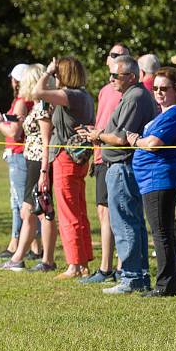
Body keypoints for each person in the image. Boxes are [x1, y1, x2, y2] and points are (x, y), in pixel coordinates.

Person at [84, 55, 157, 293]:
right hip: (124, 167)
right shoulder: (132, 96)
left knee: (124, 223)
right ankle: (138, 276)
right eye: (111, 74)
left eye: (116, 75)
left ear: (132, 77)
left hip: (122, 167)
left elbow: (120, 138)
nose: (111, 79)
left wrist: (97, 135)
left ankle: (131, 278)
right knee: (132, 222)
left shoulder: (135, 97)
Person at [125, 67, 176, 297]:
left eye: (164, 88)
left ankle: (165, 286)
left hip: (160, 180)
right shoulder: (162, 114)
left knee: (161, 233)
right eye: (156, 88)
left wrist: (135, 140)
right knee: (162, 232)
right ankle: (166, 283)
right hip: (151, 180)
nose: (159, 93)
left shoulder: (174, 113)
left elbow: (153, 143)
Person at [33, 57, 95, 279]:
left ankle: (74, 264)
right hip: (78, 159)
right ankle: (84, 261)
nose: (55, 76)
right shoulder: (85, 96)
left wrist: (47, 72)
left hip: (65, 159)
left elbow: (37, 92)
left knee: (68, 213)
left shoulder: (71, 95)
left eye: (59, 73)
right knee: (79, 211)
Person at [0, 64, 57, 272]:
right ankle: (18, 257)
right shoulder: (38, 104)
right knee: (27, 211)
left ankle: (46, 260)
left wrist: (44, 172)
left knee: (41, 211)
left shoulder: (44, 105)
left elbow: (47, 140)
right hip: (31, 160)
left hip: (39, 162)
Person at [80, 43, 129, 284]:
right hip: (100, 156)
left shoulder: (126, 91)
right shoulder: (104, 90)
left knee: (115, 212)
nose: (116, 58)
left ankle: (117, 267)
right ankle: (107, 267)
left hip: (116, 156)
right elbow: (101, 122)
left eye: (121, 55)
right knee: (103, 211)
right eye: (113, 55)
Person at [0, 63, 41, 261]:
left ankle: (32, 247)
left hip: (19, 154)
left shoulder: (22, 101)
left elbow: (14, 132)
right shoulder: (27, 100)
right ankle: (20, 244)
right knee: (20, 203)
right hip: (20, 155)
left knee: (23, 203)